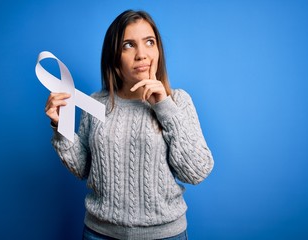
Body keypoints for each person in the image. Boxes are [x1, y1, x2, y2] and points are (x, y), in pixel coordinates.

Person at [44, 9, 214, 240]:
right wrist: (61, 125)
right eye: (128, 45)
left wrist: (163, 106)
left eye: (149, 42)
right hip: (100, 234)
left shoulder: (178, 101)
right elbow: (82, 168)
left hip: (164, 235)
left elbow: (196, 172)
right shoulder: (96, 103)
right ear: (114, 56)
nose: (141, 54)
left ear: (158, 50)